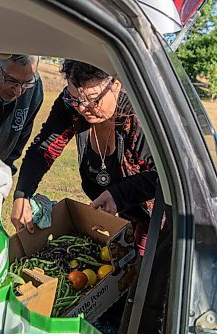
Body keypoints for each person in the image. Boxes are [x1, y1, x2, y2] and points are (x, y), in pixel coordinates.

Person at [11, 59, 171, 333]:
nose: (84, 109)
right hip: (120, 221)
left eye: (93, 99)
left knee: (146, 293)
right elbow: (43, 150)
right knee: (114, 284)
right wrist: (23, 193)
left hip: (158, 219)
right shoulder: (72, 106)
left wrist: (119, 195)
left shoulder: (140, 114)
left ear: (116, 83)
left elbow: (164, 174)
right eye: (76, 98)